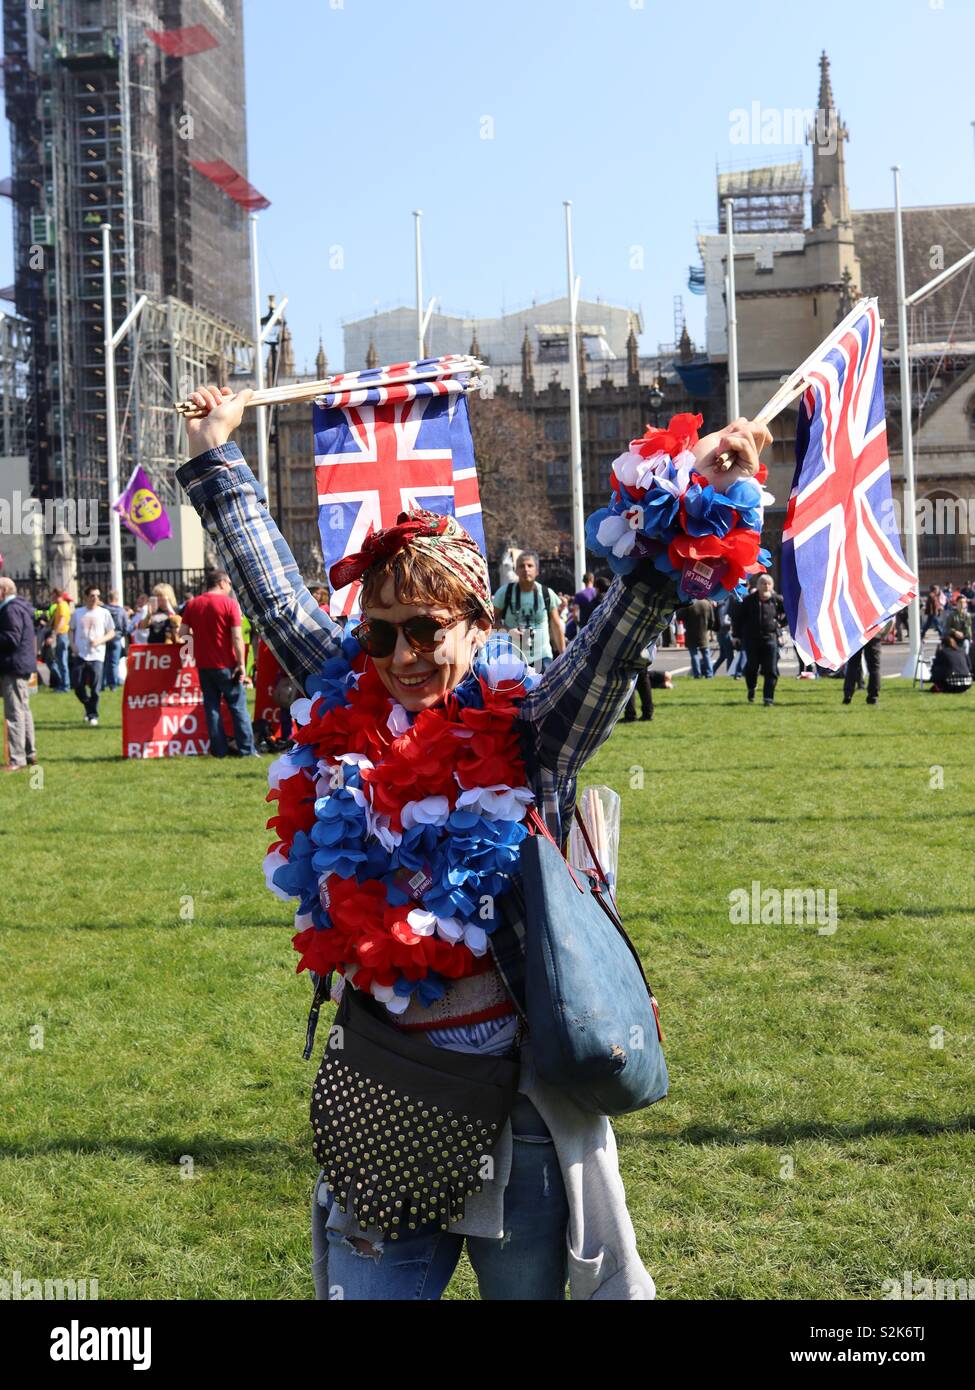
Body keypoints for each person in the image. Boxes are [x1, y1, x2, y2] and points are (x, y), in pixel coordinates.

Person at [176, 381, 773, 1302]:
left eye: (427, 629)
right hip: (386, 1087)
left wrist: (691, 494)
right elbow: (275, 595)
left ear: (481, 624)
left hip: (518, 1114)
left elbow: (614, 643)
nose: (404, 654)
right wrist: (219, 457)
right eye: (382, 634)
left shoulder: (530, 733)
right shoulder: (347, 697)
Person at [178, 569, 258, 758]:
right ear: (222, 583)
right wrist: (240, 663)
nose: (230, 587)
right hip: (227, 664)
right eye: (230, 584)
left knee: (211, 708)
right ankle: (247, 750)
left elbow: (182, 632)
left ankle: (219, 750)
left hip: (204, 664)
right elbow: (237, 637)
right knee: (238, 708)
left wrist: (196, 641)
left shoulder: (193, 604)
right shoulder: (229, 604)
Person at [492, 551, 565, 672]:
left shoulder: (547, 593)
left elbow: (556, 626)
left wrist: (563, 656)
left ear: (537, 571)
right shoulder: (504, 593)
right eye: (521, 566)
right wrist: (508, 631)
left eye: (530, 565)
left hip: (542, 657)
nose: (526, 569)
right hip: (512, 658)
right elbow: (490, 621)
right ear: (516, 571)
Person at [0, 576, 38, 771]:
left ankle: (17, 759)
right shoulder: (19, 607)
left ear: (3, 591)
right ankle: (30, 753)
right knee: (23, 710)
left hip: (13, 666)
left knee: (14, 713)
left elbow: (11, 638)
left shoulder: (11, 610)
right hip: (19, 665)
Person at [732, 574, 786, 706]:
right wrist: (736, 636)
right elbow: (738, 619)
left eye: (768, 584)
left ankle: (768, 698)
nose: (766, 586)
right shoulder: (748, 600)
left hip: (770, 638)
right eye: (763, 583)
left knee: (771, 670)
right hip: (752, 639)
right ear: (758, 585)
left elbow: (788, 614)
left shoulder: (777, 600)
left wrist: (780, 626)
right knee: (751, 668)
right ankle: (752, 687)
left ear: (772, 586)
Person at [68, 585, 115, 725]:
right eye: (92, 595)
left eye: (98, 596)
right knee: (77, 685)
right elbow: (70, 630)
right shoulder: (78, 613)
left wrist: (100, 640)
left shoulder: (104, 613)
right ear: (86, 597)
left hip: (97, 654)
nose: (96, 598)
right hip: (80, 653)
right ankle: (89, 707)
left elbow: (111, 632)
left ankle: (93, 715)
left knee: (95, 687)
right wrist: (72, 645)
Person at [842, 623, 889, 705]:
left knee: (852, 665)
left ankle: (847, 694)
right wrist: (883, 633)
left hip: (857, 633)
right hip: (874, 634)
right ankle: (873, 697)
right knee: (874, 668)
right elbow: (891, 619)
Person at [676, 597, 716, 678]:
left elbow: (679, 616)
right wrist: (707, 628)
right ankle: (709, 674)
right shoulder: (707, 603)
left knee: (694, 655)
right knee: (706, 654)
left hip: (691, 632)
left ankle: (697, 674)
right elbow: (712, 620)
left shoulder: (688, 603)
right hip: (704, 632)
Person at [42, 587, 72, 692]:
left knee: (62, 662)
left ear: (56, 595)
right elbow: (55, 620)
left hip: (62, 635)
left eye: (52, 595)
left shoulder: (62, 605)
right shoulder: (60, 606)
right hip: (60, 635)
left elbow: (62, 621)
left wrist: (53, 635)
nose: (51, 597)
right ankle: (63, 685)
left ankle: (65, 686)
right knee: (59, 661)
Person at [929, 627, 972, 693]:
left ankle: (939, 687)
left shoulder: (943, 652)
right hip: (967, 682)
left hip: (951, 683)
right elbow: (969, 667)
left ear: (943, 644)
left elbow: (934, 667)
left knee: (936, 669)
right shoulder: (962, 651)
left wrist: (937, 651)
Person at [102, 589, 127, 690]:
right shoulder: (121, 611)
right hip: (116, 638)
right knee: (114, 663)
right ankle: (113, 685)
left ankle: (101, 684)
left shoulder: (103, 609)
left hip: (104, 638)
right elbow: (125, 626)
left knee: (103, 662)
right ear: (117, 598)